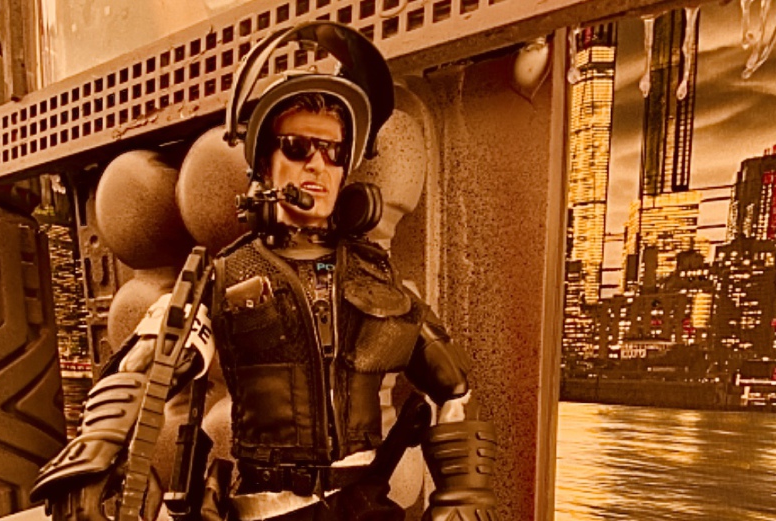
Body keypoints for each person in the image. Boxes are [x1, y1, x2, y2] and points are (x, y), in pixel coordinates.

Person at [30, 22, 498, 521]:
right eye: (297, 147)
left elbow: (452, 384)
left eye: (335, 153)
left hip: (364, 504)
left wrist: (463, 496)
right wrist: (99, 448)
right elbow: (150, 360)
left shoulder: (373, 274)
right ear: (263, 164)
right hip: (269, 508)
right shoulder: (227, 274)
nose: (317, 166)